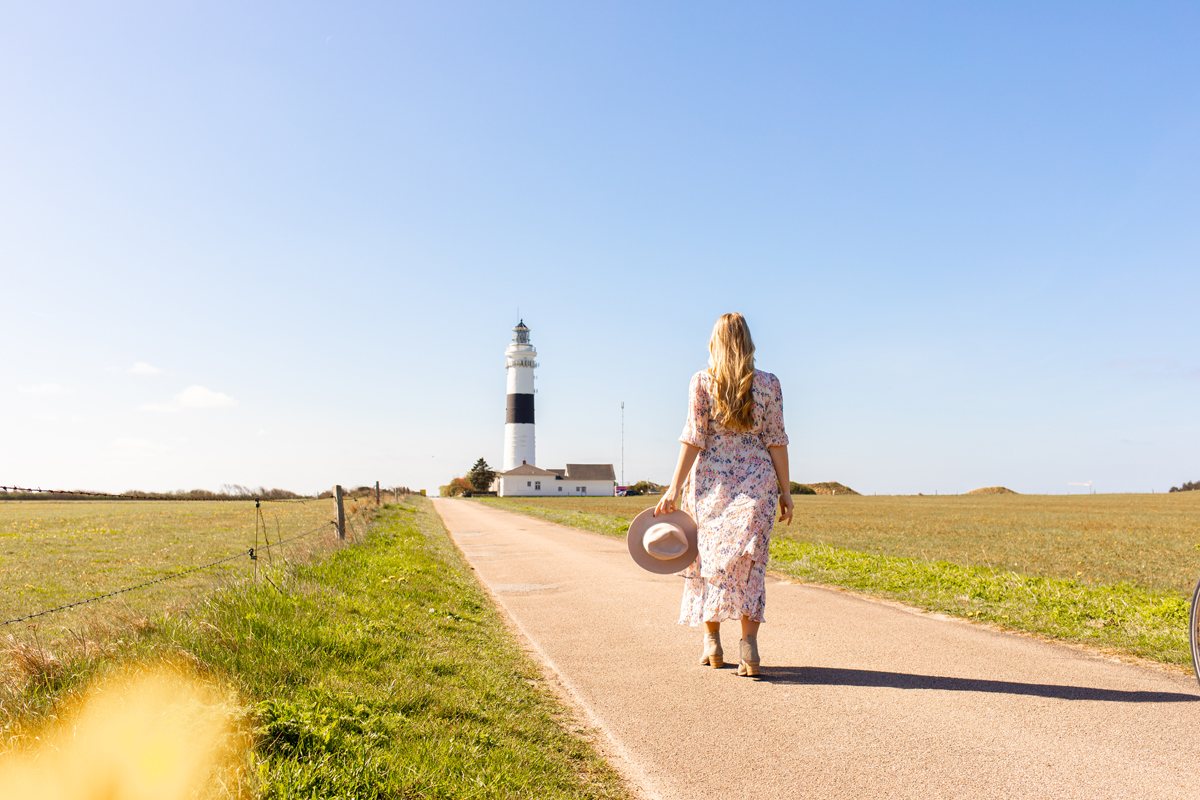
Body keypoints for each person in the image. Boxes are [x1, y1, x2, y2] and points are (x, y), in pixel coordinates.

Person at [654, 312, 792, 676]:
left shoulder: (702, 382)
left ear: (715, 342)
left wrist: (674, 487)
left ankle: (712, 641)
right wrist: (786, 491)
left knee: (707, 561)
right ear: (748, 342)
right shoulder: (769, 384)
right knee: (751, 564)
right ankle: (749, 649)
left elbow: (693, 438)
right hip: (756, 484)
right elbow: (776, 441)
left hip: (710, 485)